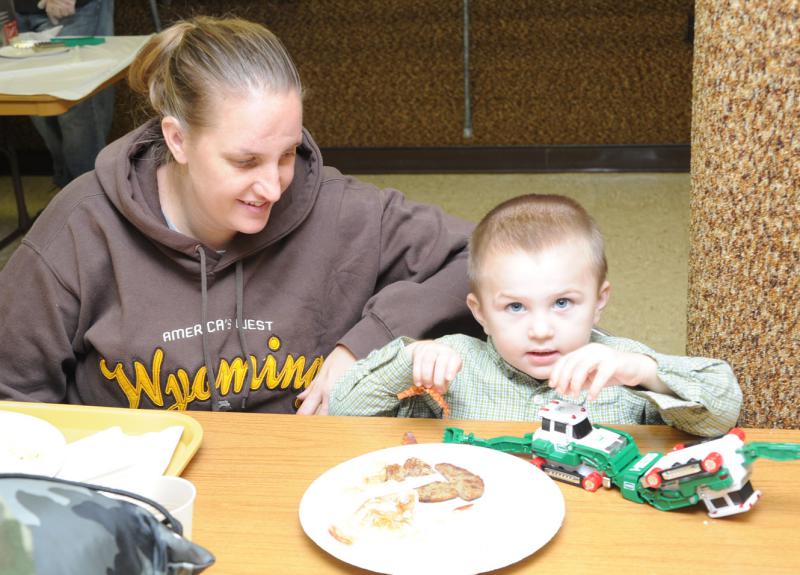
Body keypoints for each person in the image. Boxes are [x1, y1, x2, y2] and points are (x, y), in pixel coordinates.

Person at [0, 16, 480, 413]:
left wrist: (366, 343)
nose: (272, 187)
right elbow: (13, 394)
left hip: (298, 479)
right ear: (178, 140)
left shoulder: (339, 208)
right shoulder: (82, 226)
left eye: (288, 154)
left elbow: (480, 256)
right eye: (245, 161)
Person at [329, 194, 742, 437]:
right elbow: (342, 415)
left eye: (563, 303)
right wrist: (408, 360)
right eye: (514, 307)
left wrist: (645, 372)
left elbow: (723, 411)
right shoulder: (453, 362)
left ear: (599, 300)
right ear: (481, 313)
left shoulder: (618, 364)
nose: (541, 330)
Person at [14, 0, 115, 187]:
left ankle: (90, 203)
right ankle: (67, 199)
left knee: (74, 106)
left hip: (72, 10)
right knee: (36, 103)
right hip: (18, 9)